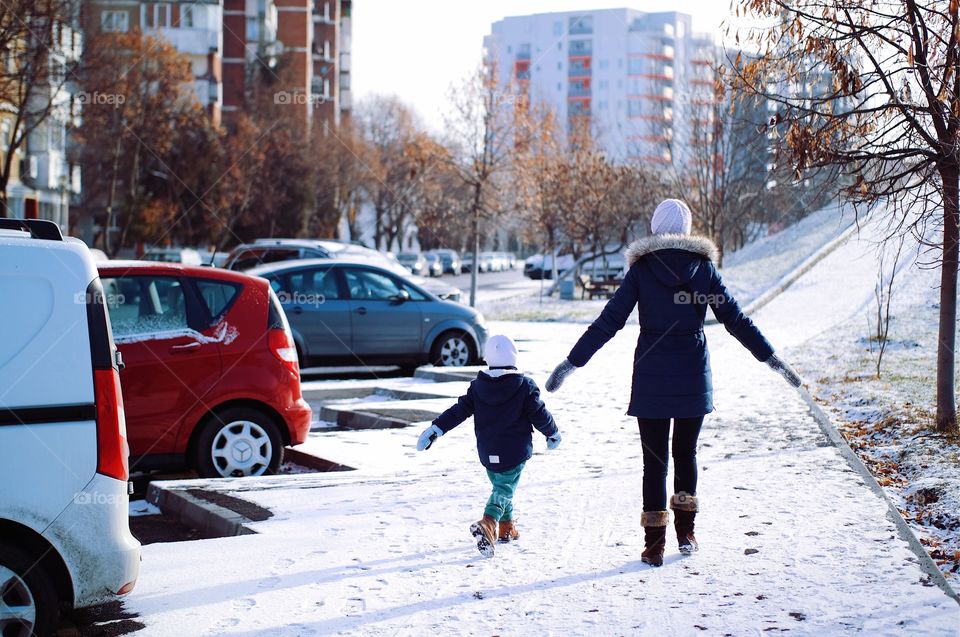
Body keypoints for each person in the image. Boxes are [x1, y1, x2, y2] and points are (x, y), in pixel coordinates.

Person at [544, 199, 802, 567]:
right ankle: (686, 534)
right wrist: (770, 357)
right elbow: (735, 319)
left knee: (655, 463)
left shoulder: (642, 271)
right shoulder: (703, 270)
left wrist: (572, 362)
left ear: (654, 228)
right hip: (693, 376)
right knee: (686, 453)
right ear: (686, 228)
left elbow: (609, 321)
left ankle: (653, 546)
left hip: (650, 376)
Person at [417, 334, 561, 557]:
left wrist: (436, 429)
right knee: (504, 488)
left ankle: (507, 527)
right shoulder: (524, 386)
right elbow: (539, 414)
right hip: (514, 452)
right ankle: (489, 523)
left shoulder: (477, 387)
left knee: (502, 488)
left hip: (487, 451)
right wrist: (552, 433)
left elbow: (458, 412)